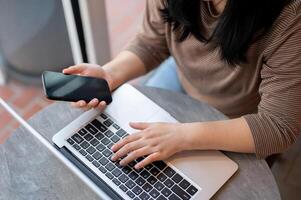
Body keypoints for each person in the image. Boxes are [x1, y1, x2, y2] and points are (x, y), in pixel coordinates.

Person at [63, 0, 301, 170]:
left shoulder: (291, 17)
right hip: (181, 76)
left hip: (240, 117)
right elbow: (151, 42)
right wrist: (110, 73)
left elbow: (276, 127)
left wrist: (182, 136)